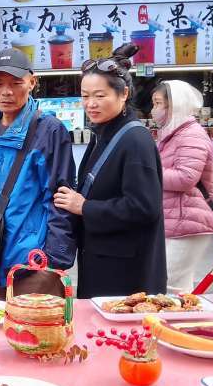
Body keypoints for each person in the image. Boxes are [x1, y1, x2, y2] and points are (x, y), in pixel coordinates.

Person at [0, 48, 75, 299]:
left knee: (33, 324)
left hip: (31, 265)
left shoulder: (49, 131)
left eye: (15, 83)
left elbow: (60, 199)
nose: (6, 92)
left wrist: (53, 261)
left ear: (32, 82)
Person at [54, 45, 166, 299]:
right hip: (103, 260)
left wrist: (85, 207)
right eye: (85, 96)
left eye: (100, 95)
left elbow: (144, 208)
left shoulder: (135, 140)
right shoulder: (103, 133)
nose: (90, 104)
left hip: (126, 274)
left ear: (123, 94)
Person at [152, 80, 213, 291]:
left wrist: (149, 174)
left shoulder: (190, 134)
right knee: (180, 289)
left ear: (175, 104)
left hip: (187, 222)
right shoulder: (173, 133)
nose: (154, 110)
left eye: (158, 103)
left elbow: (186, 178)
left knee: (164, 286)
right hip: (178, 221)